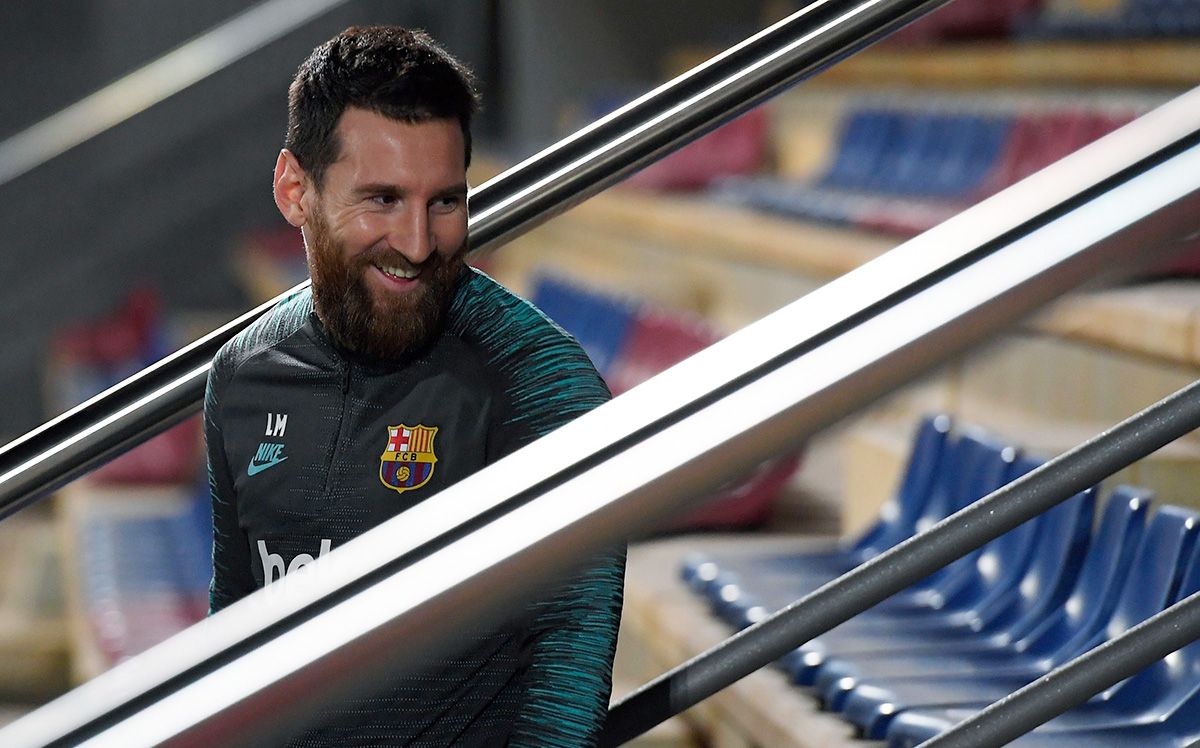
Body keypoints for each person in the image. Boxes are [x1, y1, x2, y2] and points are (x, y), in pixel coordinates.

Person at [205, 25, 624, 747]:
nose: (417, 243)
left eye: (445, 202)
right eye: (382, 200)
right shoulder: (242, 375)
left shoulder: (540, 384)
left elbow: (565, 693)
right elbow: (233, 647)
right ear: (295, 190)